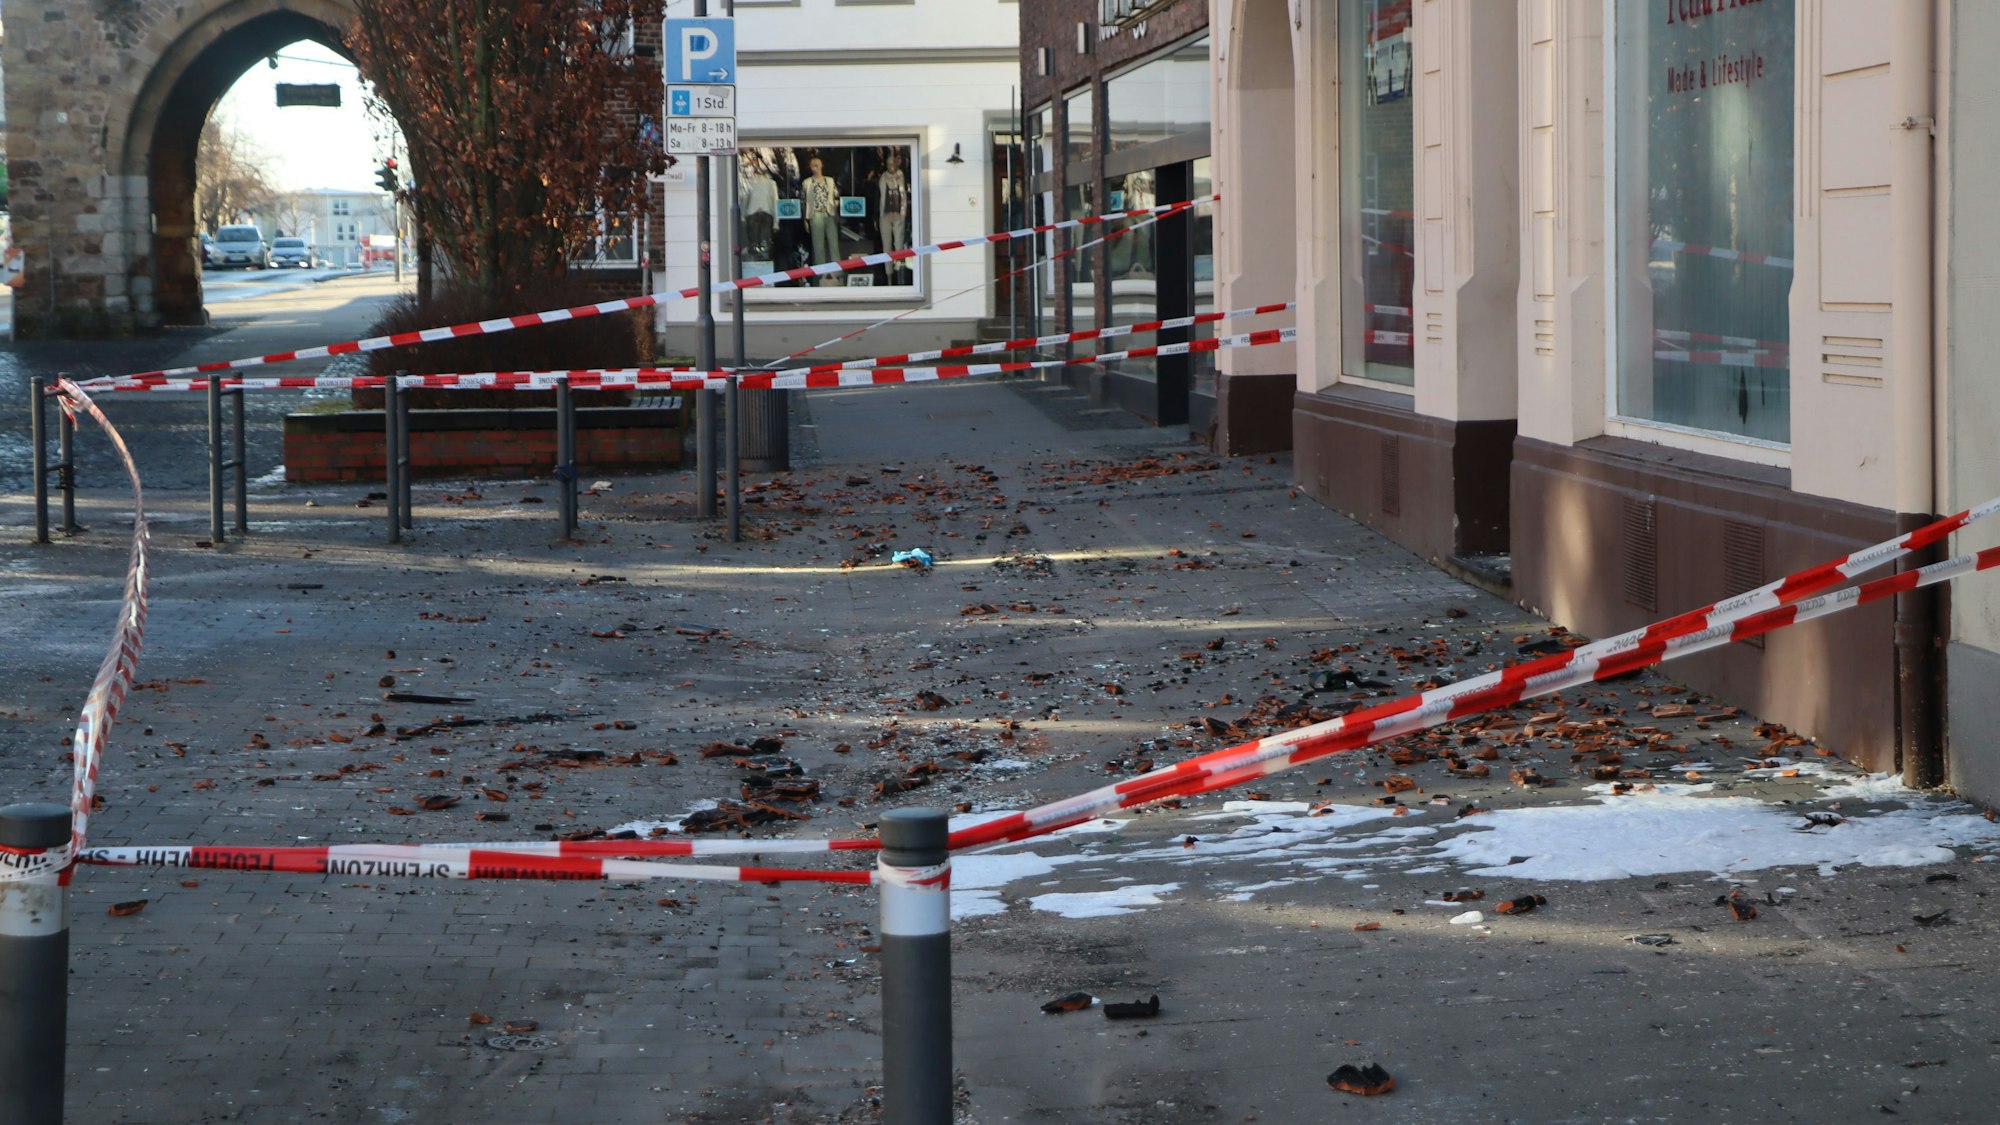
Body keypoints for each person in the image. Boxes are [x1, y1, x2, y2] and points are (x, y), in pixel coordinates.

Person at [802, 155, 842, 283]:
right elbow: (804, 201)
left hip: (828, 213)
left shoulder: (830, 180)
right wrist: (805, 219)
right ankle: (821, 273)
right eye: (813, 166)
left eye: (817, 165)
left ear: (821, 166)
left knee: (833, 243)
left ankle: (837, 272)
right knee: (818, 246)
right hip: (815, 214)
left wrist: (836, 213)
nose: (815, 168)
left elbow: (836, 196)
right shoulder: (807, 182)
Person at [877, 150, 910, 283]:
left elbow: (906, 196)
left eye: (893, 164)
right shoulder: (882, 178)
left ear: (897, 164)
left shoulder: (903, 177)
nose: (890, 167)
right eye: (888, 164)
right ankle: (889, 277)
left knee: (899, 243)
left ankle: (900, 275)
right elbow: (878, 197)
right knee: (886, 246)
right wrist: (876, 216)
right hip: (885, 214)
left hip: (899, 214)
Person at [740, 151, 778, 262]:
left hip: (762, 213)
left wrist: (776, 222)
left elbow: (775, 202)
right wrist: (742, 215)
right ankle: (758, 263)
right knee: (757, 242)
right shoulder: (752, 182)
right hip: (756, 213)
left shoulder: (770, 183)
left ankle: (761, 263)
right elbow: (746, 198)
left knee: (761, 241)